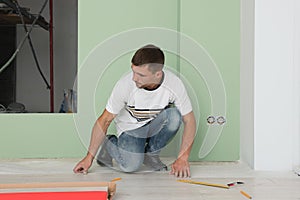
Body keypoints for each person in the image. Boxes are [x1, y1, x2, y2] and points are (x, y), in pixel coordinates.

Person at [73, 44, 196, 178]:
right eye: (133, 71)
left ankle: (150, 155)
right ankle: (108, 144)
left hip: (153, 125)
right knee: (130, 166)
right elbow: (105, 120)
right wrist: (89, 157)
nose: (134, 78)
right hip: (131, 129)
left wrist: (183, 158)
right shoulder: (125, 85)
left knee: (175, 117)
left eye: (141, 75)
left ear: (157, 74)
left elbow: (190, 121)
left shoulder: (174, 84)